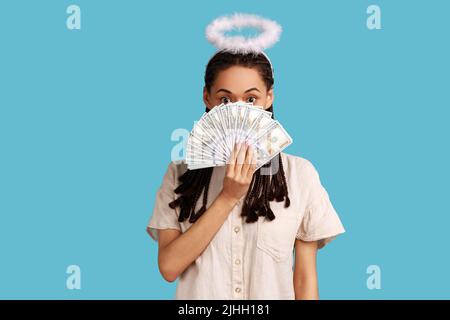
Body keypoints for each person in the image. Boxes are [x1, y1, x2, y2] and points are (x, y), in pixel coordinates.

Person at [146, 13, 345, 300]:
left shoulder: (300, 175)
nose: (238, 110)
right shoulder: (179, 173)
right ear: (207, 98)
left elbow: (304, 279)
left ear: (269, 98)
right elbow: (168, 267)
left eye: (251, 98)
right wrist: (228, 197)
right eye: (225, 99)